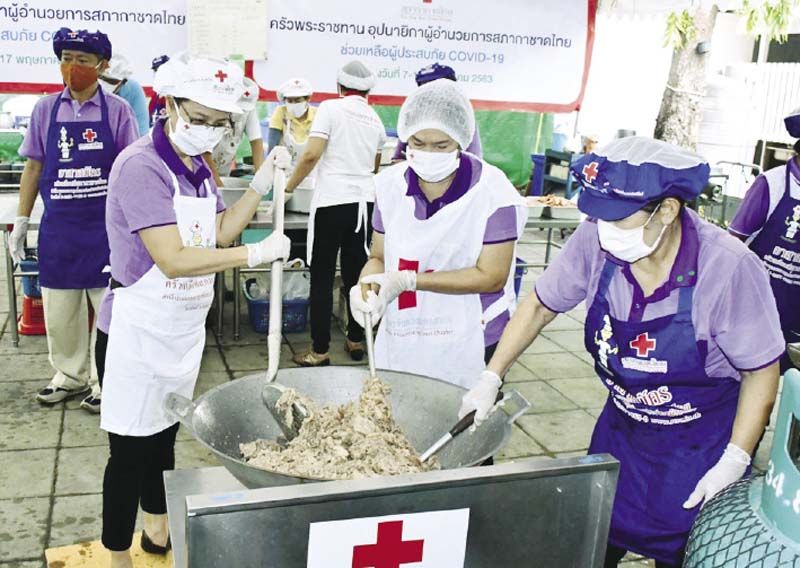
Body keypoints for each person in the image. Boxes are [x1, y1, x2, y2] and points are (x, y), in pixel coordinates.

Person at [464, 136, 784, 567]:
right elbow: (540, 305)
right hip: (622, 434)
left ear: (666, 211)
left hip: (700, 445)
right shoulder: (595, 240)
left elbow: (762, 370)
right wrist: (492, 376)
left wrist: (736, 457)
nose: (601, 228)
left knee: (685, 551)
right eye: (596, 215)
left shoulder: (728, 268)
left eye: (617, 218)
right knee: (592, 542)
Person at [97, 52, 290, 568]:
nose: (206, 132)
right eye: (197, 119)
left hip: (180, 330)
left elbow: (220, 232)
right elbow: (175, 258)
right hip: (135, 333)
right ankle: (117, 556)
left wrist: (259, 185)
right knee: (128, 456)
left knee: (162, 442)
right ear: (168, 105)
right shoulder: (141, 166)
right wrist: (253, 255)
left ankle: (157, 536)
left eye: (218, 124)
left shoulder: (197, 166)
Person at [349, 78, 526, 385]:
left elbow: (492, 276)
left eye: (441, 145)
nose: (428, 152)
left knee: (460, 417)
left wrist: (408, 280)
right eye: (418, 143)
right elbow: (378, 255)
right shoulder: (389, 186)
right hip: (405, 331)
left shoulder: (493, 192)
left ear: (461, 140)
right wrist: (367, 288)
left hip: (471, 333)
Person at [7, 27, 138, 413]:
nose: (72, 67)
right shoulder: (45, 109)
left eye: (82, 60)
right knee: (60, 309)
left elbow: (131, 169)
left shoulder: (118, 111)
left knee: (108, 307)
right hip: (60, 228)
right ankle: (68, 376)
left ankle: (104, 379)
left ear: (102, 65)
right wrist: (21, 219)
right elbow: (33, 167)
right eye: (66, 58)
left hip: (104, 230)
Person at [285, 60, 386, 367]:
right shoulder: (376, 121)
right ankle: (356, 339)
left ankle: (319, 350)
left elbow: (312, 154)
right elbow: (374, 167)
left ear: (340, 87)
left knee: (322, 276)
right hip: (364, 206)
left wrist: (288, 188)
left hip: (332, 204)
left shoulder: (330, 109)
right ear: (368, 91)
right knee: (358, 278)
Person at [729, 106, 800, 374]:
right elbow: (734, 242)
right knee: (745, 381)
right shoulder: (771, 184)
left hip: (795, 314)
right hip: (756, 307)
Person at [392, 63, 482, 161]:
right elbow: (398, 159)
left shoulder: (461, 119)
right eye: (424, 87)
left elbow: (473, 162)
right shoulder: (412, 117)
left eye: (442, 146)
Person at [207, 77, 264, 185]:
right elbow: (204, 151)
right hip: (203, 168)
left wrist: (260, 178)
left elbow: (256, 142)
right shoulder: (212, 110)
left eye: (243, 110)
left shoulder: (249, 109)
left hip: (224, 168)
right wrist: (218, 184)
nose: (240, 112)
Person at [99, 54, 150, 136]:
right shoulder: (88, 88)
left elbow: (141, 131)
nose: (106, 83)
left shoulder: (133, 90)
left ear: (123, 81)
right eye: (102, 78)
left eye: (112, 81)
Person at [148, 54, 169, 126]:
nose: (158, 73)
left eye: (161, 70)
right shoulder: (156, 94)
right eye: (156, 70)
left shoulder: (177, 95)